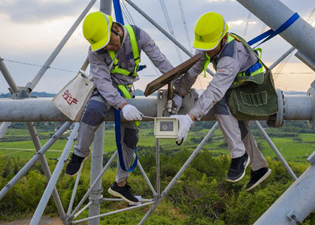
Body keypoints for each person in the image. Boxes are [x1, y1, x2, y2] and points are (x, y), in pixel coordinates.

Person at [65, 11, 173, 203]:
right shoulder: (95, 50)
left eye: (109, 41)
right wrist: (122, 105)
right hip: (105, 90)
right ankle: (80, 153)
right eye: (103, 45)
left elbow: (161, 61)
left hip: (126, 90)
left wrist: (179, 85)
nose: (107, 47)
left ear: (115, 28)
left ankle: (120, 184)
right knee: (94, 111)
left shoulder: (138, 36)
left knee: (131, 137)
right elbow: (102, 82)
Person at [172, 12, 271, 191]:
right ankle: (259, 168)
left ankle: (238, 155)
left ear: (224, 38)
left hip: (252, 90)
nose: (207, 52)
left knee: (220, 104)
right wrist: (180, 93)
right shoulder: (209, 44)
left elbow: (216, 90)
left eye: (211, 47)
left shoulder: (231, 56)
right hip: (235, 87)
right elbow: (193, 71)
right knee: (238, 127)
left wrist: (191, 117)